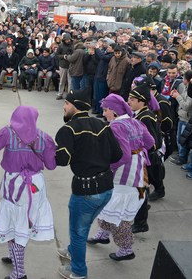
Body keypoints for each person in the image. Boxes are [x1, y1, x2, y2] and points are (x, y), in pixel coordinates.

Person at [55, 88, 123, 279]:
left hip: (86, 192)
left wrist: (46, 151)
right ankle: (72, 251)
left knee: (78, 231)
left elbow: (62, 159)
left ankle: (78, 271)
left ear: (75, 106)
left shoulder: (67, 129)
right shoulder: (102, 125)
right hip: (107, 188)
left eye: (67, 103)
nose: (64, 106)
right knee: (83, 226)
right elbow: (117, 154)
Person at [0, 106, 56, 279]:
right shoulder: (44, 137)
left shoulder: (6, 133)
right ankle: (14, 256)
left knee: (14, 223)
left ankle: (19, 272)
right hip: (35, 187)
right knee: (24, 221)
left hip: (15, 187)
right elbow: (51, 165)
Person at [88, 94, 154, 261]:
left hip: (124, 178)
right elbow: (150, 142)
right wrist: (137, 151)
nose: (103, 114)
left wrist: (104, 166)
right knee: (109, 207)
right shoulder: (135, 121)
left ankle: (126, 249)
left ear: (114, 111)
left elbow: (122, 156)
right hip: (138, 172)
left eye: (105, 110)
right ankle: (103, 234)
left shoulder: (116, 127)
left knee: (119, 215)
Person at [128, 84, 163, 233]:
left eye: (132, 99)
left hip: (145, 159)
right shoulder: (139, 114)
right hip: (142, 158)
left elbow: (153, 142)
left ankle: (141, 222)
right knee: (140, 190)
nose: (129, 101)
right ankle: (141, 211)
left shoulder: (145, 117)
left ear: (142, 101)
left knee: (140, 190)